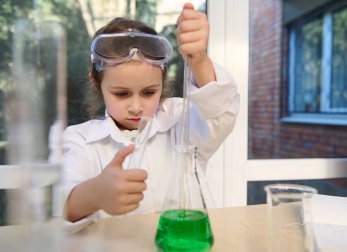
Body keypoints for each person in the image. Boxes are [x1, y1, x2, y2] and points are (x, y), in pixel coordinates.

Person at [62, 2, 239, 230]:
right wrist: (95, 193)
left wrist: (198, 59)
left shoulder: (180, 121)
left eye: (148, 92)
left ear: (162, 83)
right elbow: (63, 208)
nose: (136, 107)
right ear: (96, 84)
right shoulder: (81, 140)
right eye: (122, 94)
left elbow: (219, 112)